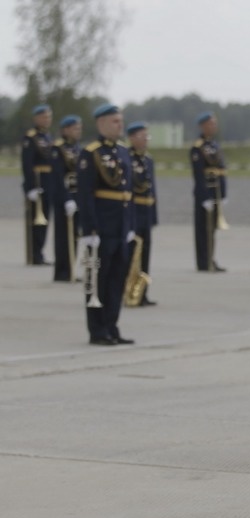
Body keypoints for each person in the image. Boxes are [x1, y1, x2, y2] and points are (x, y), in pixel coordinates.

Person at [77, 103, 136, 346]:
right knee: (97, 279)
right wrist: (89, 229)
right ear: (101, 124)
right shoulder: (90, 153)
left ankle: (112, 326)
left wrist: (130, 225)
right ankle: (97, 330)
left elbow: (128, 192)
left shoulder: (123, 152)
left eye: (121, 121)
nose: (120, 125)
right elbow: (85, 193)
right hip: (101, 227)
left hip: (121, 227)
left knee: (117, 279)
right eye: (115, 121)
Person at [190, 111, 227, 272]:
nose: (214, 127)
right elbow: (198, 175)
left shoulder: (214, 145)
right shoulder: (197, 148)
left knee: (212, 229)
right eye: (211, 124)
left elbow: (221, 171)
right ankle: (203, 261)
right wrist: (204, 197)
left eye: (214, 123)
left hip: (216, 192)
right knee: (202, 229)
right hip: (204, 193)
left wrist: (224, 194)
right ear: (203, 126)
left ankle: (210, 258)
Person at [127, 121, 159, 306]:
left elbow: (152, 190)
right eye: (142, 136)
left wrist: (154, 216)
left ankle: (142, 293)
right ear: (132, 138)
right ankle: (129, 290)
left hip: (146, 211)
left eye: (147, 136)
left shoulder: (148, 160)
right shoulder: (127, 158)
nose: (145, 140)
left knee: (146, 253)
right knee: (132, 254)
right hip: (133, 210)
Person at [50, 114, 83, 282]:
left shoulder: (77, 148)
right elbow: (57, 176)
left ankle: (70, 268)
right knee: (63, 235)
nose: (79, 131)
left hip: (77, 195)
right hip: (64, 196)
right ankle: (61, 271)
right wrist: (66, 199)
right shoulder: (58, 148)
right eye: (75, 128)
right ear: (66, 130)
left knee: (74, 235)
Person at [22, 104, 54, 266]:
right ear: (36, 118)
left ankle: (40, 252)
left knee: (45, 219)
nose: (47, 120)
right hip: (37, 180)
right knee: (36, 220)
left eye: (48, 117)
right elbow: (27, 163)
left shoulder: (48, 137)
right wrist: (30, 187)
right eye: (43, 117)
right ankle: (34, 254)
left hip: (48, 181)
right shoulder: (31, 136)